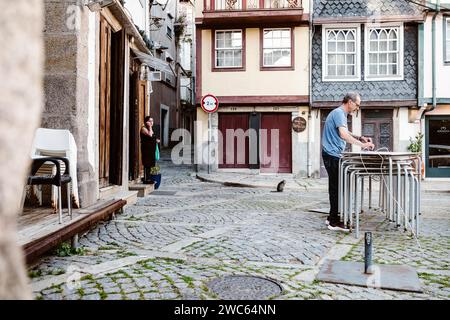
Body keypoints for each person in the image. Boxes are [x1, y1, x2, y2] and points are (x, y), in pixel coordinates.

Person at [322, 92, 375, 232]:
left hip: (332, 154)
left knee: (336, 187)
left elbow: (346, 131)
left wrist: (360, 137)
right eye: (357, 105)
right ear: (350, 102)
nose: (357, 108)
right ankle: (334, 222)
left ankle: (331, 217)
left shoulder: (340, 114)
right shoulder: (339, 113)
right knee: (337, 188)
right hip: (332, 155)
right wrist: (362, 145)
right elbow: (343, 135)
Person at [140, 116, 160, 184]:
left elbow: (152, 137)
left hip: (151, 150)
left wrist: (156, 140)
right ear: (146, 122)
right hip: (146, 149)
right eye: (150, 121)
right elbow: (150, 135)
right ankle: (146, 179)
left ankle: (149, 178)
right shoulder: (144, 129)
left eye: (152, 121)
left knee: (150, 163)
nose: (152, 122)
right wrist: (150, 127)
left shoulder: (149, 128)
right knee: (147, 163)